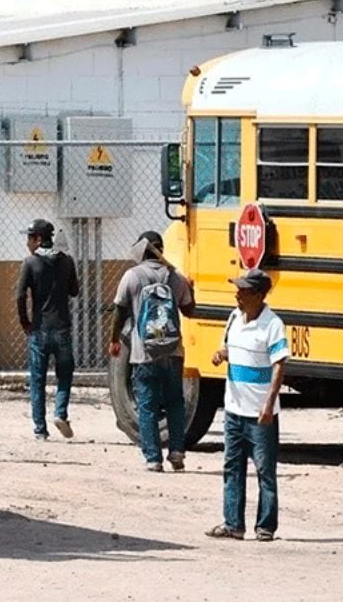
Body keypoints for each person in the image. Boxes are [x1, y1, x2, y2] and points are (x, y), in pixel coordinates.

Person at [206, 267, 287, 543]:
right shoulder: (234, 318)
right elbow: (231, 348)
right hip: (234, 410)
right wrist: (221, 354)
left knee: (265, 470)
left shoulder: (272, 324)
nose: (237, 295)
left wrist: (269, 404)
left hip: (259, 413)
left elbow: (279, 365)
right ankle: (233, 524)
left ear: (259, 295)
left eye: (243, 291)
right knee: (232, 467)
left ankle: (265, 526)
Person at [109, 231, 196, 472]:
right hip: (173, 351)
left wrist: (114, 339)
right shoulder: (175, 277)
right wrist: (191, 289)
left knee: (147, 405)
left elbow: (119, 310)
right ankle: (176, 451)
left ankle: (153, 458)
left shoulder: (133, 276)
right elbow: (189, 311)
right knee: (175, 402)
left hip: (143, 353)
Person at [14, 218, 79, 441]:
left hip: (39, 328)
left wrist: (25, 321)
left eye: (30, 238)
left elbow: (20, 295)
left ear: (38, 239)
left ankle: (40, 429)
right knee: (65, 374)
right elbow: (74, 291)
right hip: (62, 327)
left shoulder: (30, 263)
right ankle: (60, 413)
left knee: (37, 379)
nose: (27, 243)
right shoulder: (66, 261)